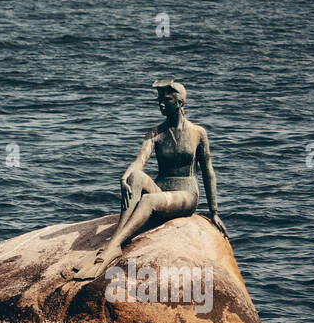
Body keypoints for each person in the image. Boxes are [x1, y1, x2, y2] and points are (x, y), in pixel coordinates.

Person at [74, 78, 227, 280]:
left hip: (186, 196)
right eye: (159, 99)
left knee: (148, 200)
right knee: (135, 177)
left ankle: (114, 245)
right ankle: (115, 242)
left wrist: (214, 212)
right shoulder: (155, 133)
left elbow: (208, 171)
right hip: (162, 191)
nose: (161, 103)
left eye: (167, 99)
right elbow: (140, 161)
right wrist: (126, 175)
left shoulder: (198, 133)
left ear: (180, 102)